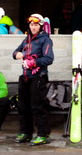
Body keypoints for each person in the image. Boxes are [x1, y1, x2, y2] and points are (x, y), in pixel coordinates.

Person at [12, 13, 54, 146]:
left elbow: (49, 59)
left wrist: (33, 63)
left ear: (40, 26)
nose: (33, 27)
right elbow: (15, 53)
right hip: (25, 77)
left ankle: (42, 134)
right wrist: (17, 54)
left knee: (38, 107)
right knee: (23, 106)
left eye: (36, 25)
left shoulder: (45, 40)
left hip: (38, 77)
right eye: (31, 24)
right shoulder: (26, 39)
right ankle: (26, 132)